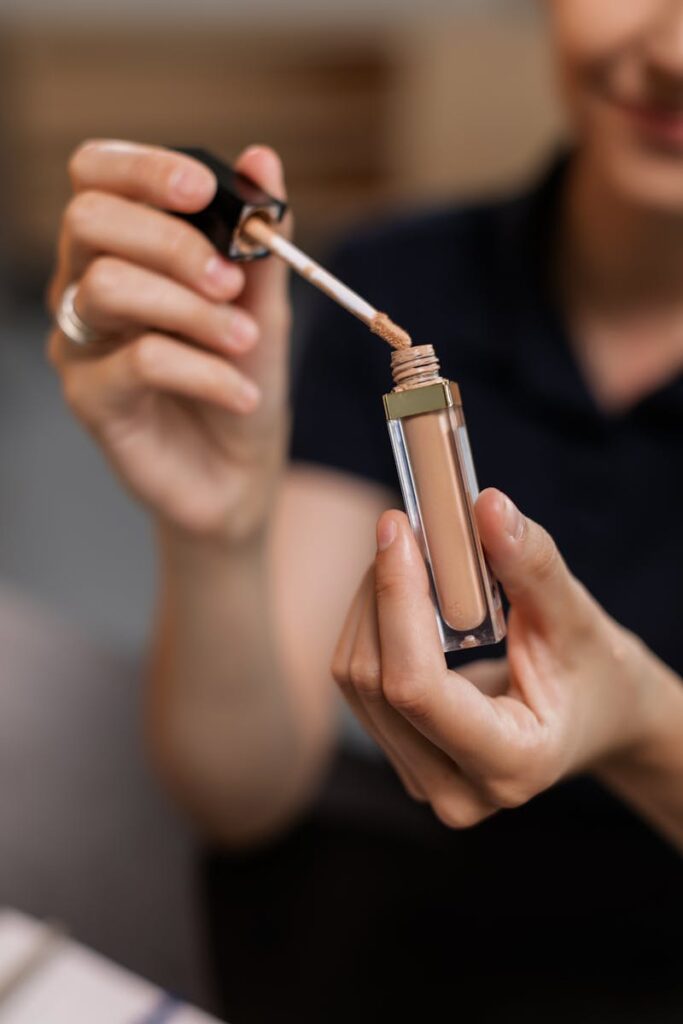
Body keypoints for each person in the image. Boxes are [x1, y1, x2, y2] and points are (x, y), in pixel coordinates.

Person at [48, 2, 682, 1021]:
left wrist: (639, 720)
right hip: (411, 945)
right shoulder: (403, 276)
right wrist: (214, 533)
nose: (669, 51)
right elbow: (243, 791)